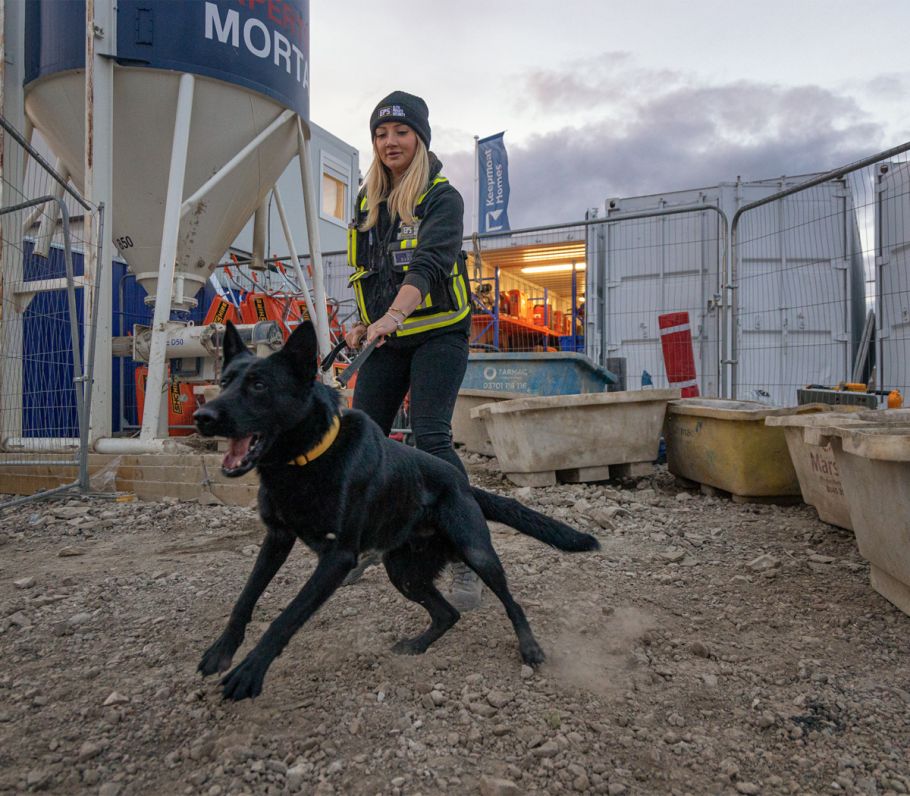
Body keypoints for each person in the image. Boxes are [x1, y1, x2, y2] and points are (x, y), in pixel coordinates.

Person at [341, 91, 482, 610]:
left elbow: (427, 265)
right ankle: (371, 538)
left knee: (431, 437)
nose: (390, 142)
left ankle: (468, 552)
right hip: (388, 336)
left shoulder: (442, 198)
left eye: (401, 132)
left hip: (439, 332)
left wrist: (393, 316)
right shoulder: (367, 203)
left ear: (419, 138)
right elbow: (371, 275)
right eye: (380, 134)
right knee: (365, 440)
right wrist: (364, 324)